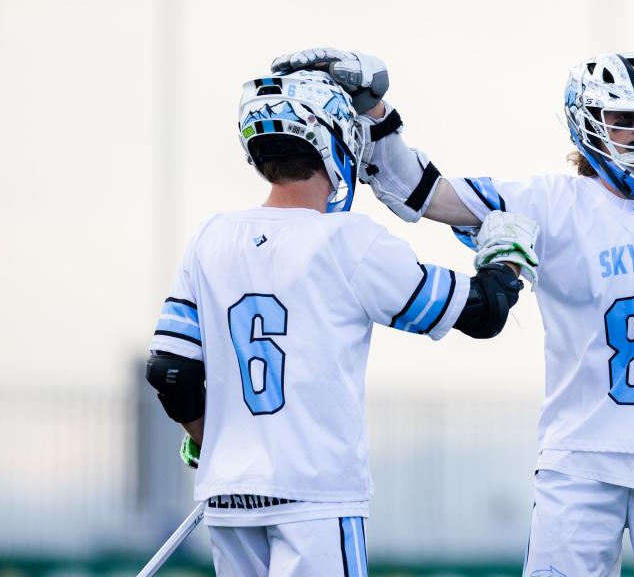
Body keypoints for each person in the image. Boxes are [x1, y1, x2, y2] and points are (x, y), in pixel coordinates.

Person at [270, 49, 634, 576]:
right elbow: (423, 194)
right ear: (587, 124)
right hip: (582, 461)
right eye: (625, 119)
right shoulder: (553, 204)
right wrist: (375, 113)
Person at [144, 69, 539, 576]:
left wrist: (207, 437)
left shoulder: (211, 237)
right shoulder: (349, 241)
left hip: (229, 497)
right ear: (336, 141)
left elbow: (170, 372)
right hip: (316, 498)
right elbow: (481, 314)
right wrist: (505, 261)